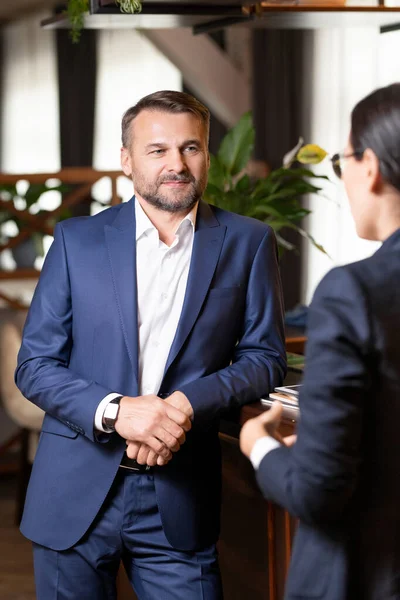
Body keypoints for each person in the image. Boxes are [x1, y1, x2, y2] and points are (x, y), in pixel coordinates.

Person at [16, 90, 286, 599]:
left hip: (179, 494)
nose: (176, 164)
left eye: (191, 148)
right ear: (126, 160)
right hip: (73, 490)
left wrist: (185, 404)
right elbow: (35, 365)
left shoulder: (248, 241)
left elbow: (264, 358)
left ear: (208, 155)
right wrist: (117, 412)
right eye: (157, 150)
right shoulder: (76, 240)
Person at [240, 82, 400, 600]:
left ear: (370, 166)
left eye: (342, 160)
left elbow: (318, 493)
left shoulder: (354, 291)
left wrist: (258, 445)